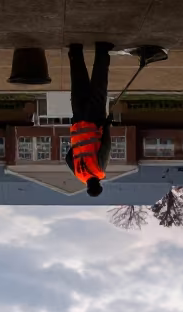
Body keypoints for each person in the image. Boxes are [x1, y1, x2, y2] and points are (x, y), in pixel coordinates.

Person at [65, 42, 114, 197]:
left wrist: (107, 124)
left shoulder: (99, 170)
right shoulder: (79, 174)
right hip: (78, 123)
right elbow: (68, 158)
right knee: (78, 85)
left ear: (99, 185)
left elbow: (106, 146)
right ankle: (75, 51)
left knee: (99, 85)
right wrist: (79, 143)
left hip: (94, 121)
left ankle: (102, 50)